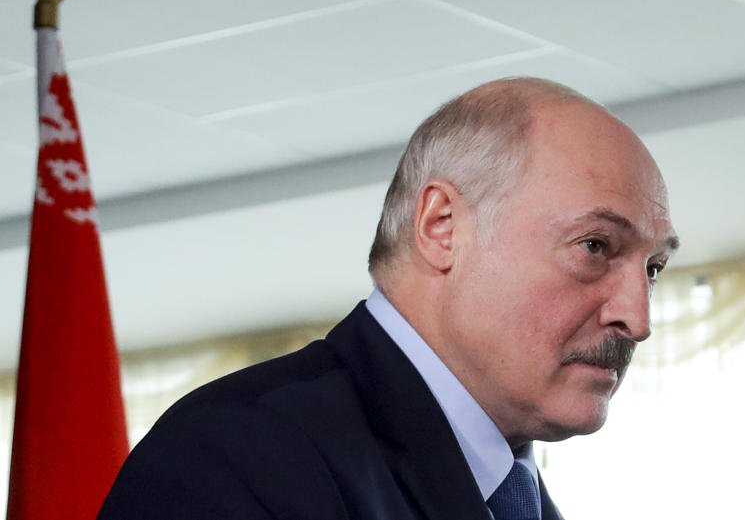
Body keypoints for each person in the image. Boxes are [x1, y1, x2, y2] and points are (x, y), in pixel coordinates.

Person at [98, 77, 679, 520]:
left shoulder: (515, 497)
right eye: (596, 246)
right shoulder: (236, 457)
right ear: (442, 227)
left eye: (653, 268)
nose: (638, 317)